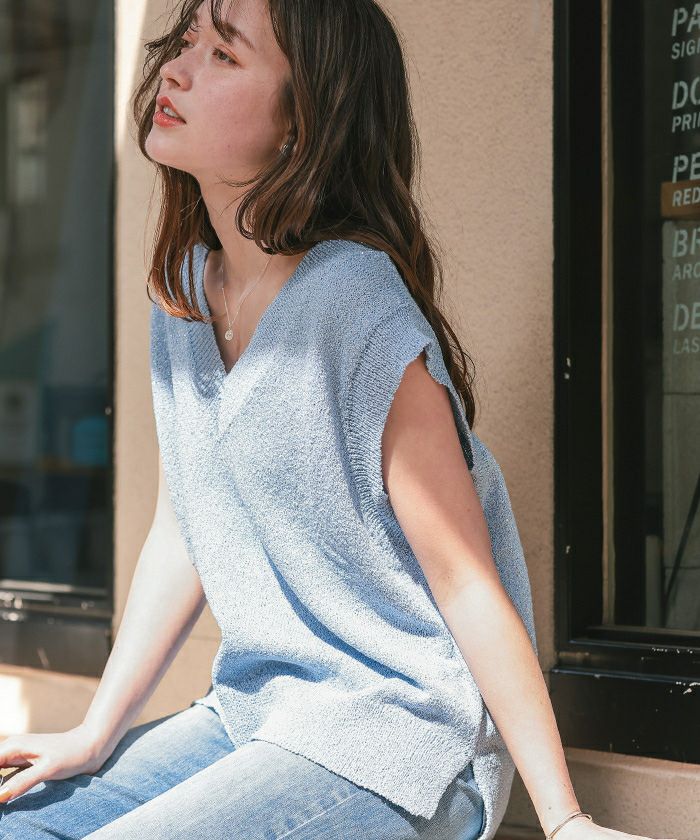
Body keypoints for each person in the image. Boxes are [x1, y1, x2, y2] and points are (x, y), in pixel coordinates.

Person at [0, 2, 678, 839]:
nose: (174, 68)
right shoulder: (184, 294)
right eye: (185, 41)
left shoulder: (353, 303)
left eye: (224, 55)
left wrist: (565, 821)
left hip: (396, 737)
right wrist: (96, 731)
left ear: (301, 123)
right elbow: (185, 525)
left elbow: (467, 580)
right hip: (254, 713)